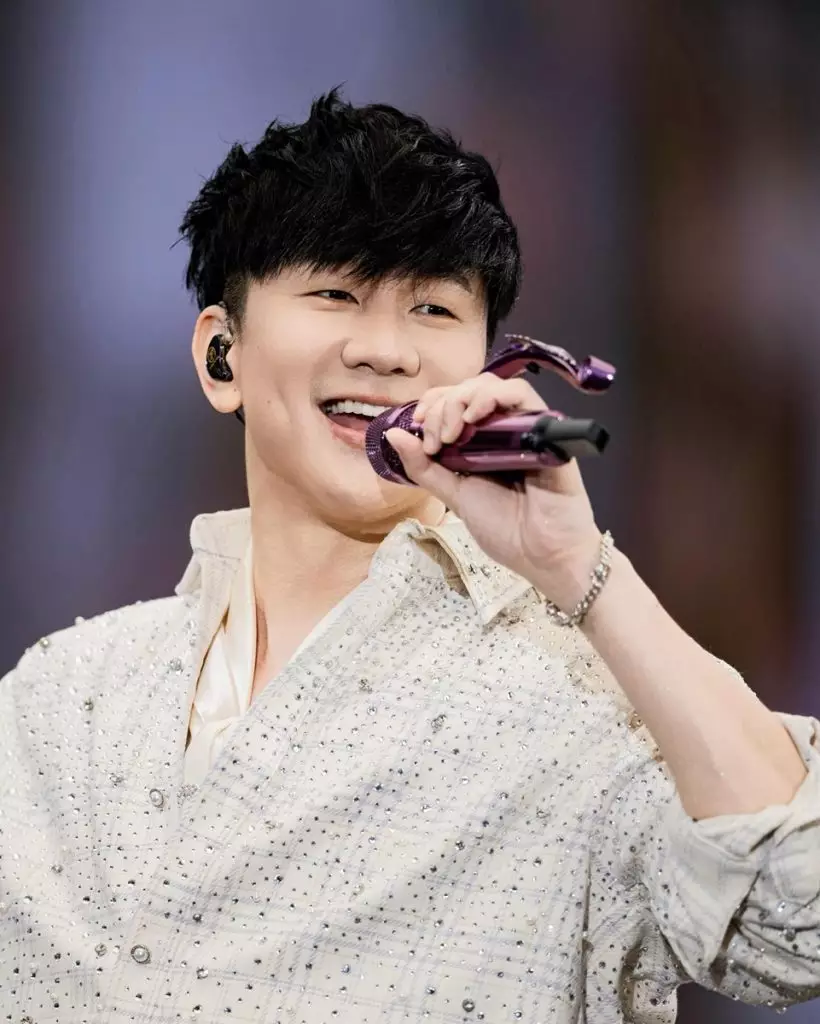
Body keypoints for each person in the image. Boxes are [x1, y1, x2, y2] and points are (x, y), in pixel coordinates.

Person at [1, 90, 818, 1024]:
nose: (386, 351)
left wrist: (583, 572)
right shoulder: (64, 698)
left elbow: (801, 921)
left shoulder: (579, 700)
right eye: (336, 294)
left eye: (432, 307)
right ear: (222, 355)